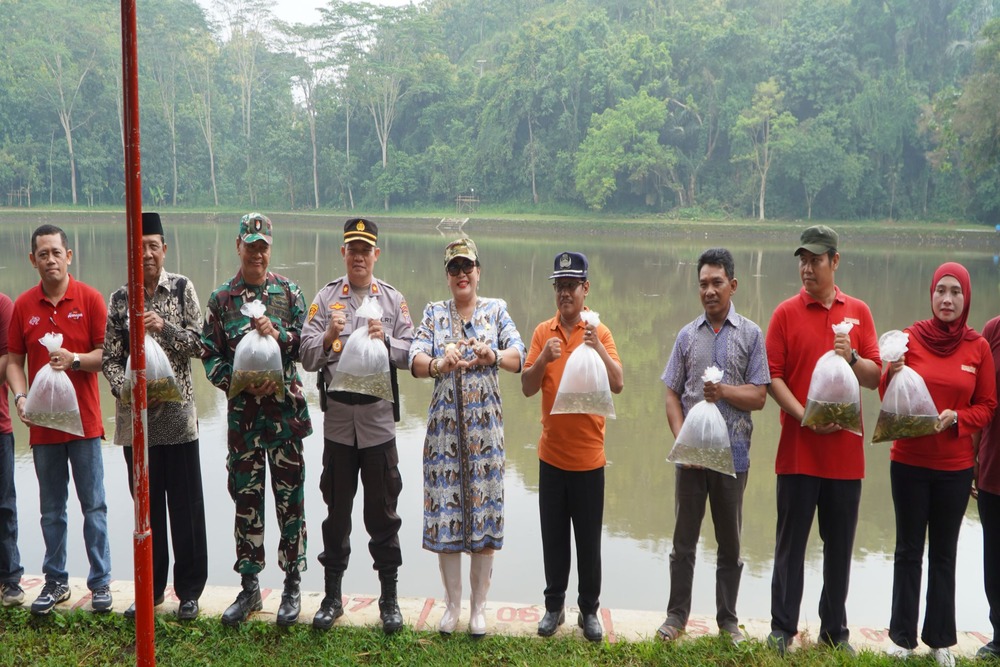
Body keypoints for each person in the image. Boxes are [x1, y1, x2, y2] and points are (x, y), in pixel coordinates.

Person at [764, 225, 881, 655]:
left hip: (846, 458)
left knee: (839, 549)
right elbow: (772, 376)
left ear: (835, 261)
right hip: (797, 453)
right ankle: (782, 628)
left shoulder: (860, 314)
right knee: (790, 547)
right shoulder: (784, 314)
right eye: (802, 260)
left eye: (815, 260)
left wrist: (851, 356)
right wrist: (805, 417)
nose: (806, 268)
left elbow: (873, 377)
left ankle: (835, 631)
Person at [299, 218, 413, 634]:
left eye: (366, 249)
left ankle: (389, 599)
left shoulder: (393, 300)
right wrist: (330, 333)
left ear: (376, 254)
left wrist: (385, 340)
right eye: (353, 248)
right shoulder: (327, 297)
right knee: (337, 513)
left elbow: (411, 352)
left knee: (383, 514)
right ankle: (332, 598)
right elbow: (306, 355)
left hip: (378, 425)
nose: (360, 256)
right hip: (339, 426)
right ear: (343, 253)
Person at [408, 238, 525, 637]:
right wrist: (441, 362)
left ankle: (479, 608)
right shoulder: (434, 313)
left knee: (484, 513)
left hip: (485, 433)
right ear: (447, 275)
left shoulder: (497, 310)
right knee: (447, 515)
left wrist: (492, 355)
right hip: (444, 434)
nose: (461, 274)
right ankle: (452, 605)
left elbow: (519, 356)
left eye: (467, 267)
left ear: (478, 271)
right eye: (454, 268)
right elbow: (415, 359)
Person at [880, 263, 996, 667]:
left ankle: (940, 640)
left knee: (944, 552)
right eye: (940, 291)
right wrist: (891, 371)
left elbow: (987, 406)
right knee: (908, 550)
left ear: (966, 298)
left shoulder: (977, 347)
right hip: (909, 462)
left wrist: (960, 419)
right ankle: (901, 637)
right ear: (931, 294)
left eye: (955, 293)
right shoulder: (909, 339)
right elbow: (886, 395)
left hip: (955, 467)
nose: (947, 299)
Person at [201, 212, 312, 627]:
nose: (257, 253)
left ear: (271, 248)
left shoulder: (289, 293)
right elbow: (208, 354)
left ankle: (292, 583)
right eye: (250, 245)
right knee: (246, 502)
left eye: (263, 246)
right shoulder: (221, 300)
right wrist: (238, 382)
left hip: (285, 420)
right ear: (238, 246)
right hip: (243, 423)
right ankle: (249, 588)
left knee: (291, 502)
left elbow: (307, 345)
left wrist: (279, 334)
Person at [657, 248, 770, 645]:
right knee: (683, 541)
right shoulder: (687, 335)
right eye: (703, 283)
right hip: (691, 461)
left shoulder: (752, 334)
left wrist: (722, 391)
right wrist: (682, 440)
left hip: (734, 458)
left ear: (733, 285)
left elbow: (759, 396)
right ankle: (676, 616)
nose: (709, 290)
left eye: (716, 282)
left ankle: (728, 621)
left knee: (731, 543)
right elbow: (672, 393)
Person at [102, 212, 208, 621]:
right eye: (139, 245)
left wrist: (163, 328)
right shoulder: (119, 299)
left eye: (153, 245)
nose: (146, 253)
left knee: (186, 507)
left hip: (179, 422)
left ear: (164, 249)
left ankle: (190, 592)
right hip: (137, 425)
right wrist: (126, 390)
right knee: (145, 510)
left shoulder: (181, 289)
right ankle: (151, 589)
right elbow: (111, 358)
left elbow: (200, 345)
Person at [5, 224, 112, 615]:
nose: (50, 260)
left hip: (84, 425)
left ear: (69, 255)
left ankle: (100, 582)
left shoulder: (91, 299)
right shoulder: (23, 307)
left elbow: (108, 355)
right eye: (42, 254)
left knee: (94, 506)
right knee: (51, 509)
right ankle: (55, 581)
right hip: (44, 427)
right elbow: (15, 362)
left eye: (56, 252)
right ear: (32, 260)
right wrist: (20, 395)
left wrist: (75, 360)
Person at [521, 251, 624, 643]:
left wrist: (596, 346)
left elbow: (618, 383)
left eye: (572, 286)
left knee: (588, 540)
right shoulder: (542, 332)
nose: (565, 293)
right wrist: (543, 361)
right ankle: (553, 607)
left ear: (586, 289)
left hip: (589, 460)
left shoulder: (601, 331)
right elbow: (527, 388)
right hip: (551, 457)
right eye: (559, 286)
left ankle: (590, 611)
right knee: (554, 538)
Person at [978, 315, 1000, 661]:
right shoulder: (993, 331)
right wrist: (972, 457)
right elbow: (979, 400)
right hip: (994, 464)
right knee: (995, 557)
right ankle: (999, 635)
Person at [0, 291, 24, 607]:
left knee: (4, 506)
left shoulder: (3, 305)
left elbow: (9, 358)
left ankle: (10, 580)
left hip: (0, 426)